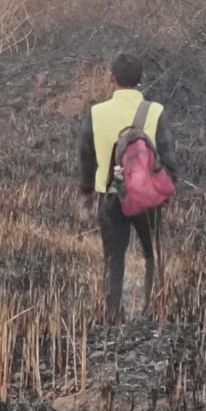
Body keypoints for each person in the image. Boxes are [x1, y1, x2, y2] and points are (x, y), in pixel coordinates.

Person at [77, 53, 178, 321]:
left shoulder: (96, 113)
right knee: (152, 255)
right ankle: (153, 310)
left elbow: (86, 157)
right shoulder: (155, 112)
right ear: (140, 80)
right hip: (147, 197)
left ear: (111, 77)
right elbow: (168, 159)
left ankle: (113, 314)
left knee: (113, 258)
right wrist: (164, 192)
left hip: (109, 196)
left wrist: (88, 191)